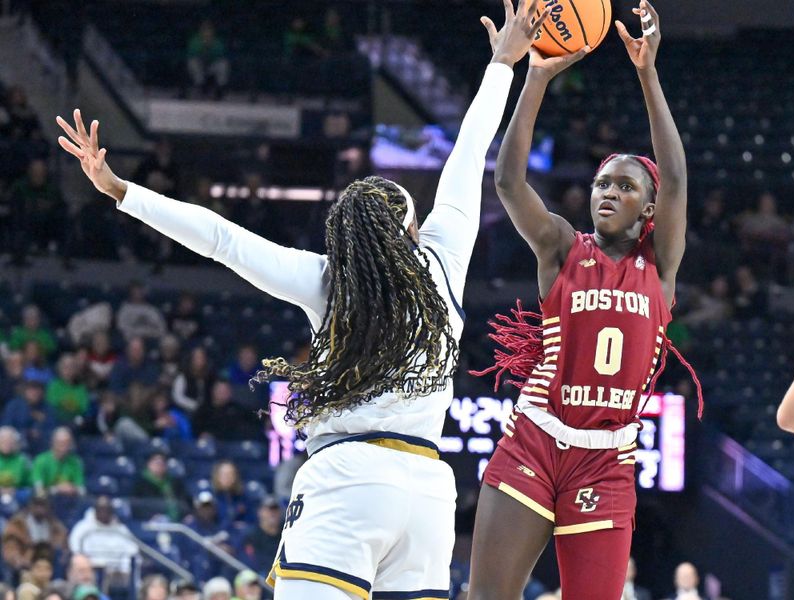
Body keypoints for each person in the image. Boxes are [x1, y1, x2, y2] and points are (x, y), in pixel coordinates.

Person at [57, 2, 543, 596]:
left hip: (347, 478)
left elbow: (222, 239)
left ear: (348, 241)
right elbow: (468, 157)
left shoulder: (327, 279)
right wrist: (501, 65)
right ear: (414, 230)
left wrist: (122, 191)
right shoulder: (443, 263)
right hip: (428, 490)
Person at [467, 4, 701, 600]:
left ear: (649, 209)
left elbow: (675, 178)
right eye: (603, 183)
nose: (609, 193)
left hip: (607, 462)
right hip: (536, 439)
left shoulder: (660, 267)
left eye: (625, 187)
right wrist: (537, 77)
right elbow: (507, 183)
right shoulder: (562, 248)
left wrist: (648, 74)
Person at [68, 496, 139, 581]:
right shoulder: (82, 528)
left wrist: (123, 569)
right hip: (91, 570)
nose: (104, 513)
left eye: (107, 510)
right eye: (101, 510)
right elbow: (76, 551)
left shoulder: (121, 530)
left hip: (117, 573)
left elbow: (132, 550)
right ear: (95, 510)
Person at [131, 450, 188, 520]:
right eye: (156, 463)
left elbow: (184, 501)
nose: (159, 466)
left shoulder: (175, 482)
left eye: (162, 463)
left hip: (176, 520)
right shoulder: (140, 482)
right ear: (149, 464)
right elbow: (137, 505)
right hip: (149, 520)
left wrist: (187, 514)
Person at [31, 428, 84, 496]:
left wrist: (73, 489)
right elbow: (38, 490)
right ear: (53, 442)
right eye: (61, 443)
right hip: (48, 500)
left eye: (67, 443)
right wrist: (57, 489)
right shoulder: (41, 460)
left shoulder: (75, 462)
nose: (64, 447)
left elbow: (82, 490)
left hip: (71, 499)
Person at [186, 20, 230, 99]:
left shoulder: (216, 41)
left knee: (223, 64)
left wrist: (210, 47)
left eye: (209, 29)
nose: (206, 32)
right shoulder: (196, 40)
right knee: (192, 62)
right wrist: (203, 47)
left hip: (211, 65)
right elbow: (192, 52)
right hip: (200, 65)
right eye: (204, 29)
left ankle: (220, 89)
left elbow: (221, 53)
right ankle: (200, 87)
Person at [241, 496, 282, 571]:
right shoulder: (252, 536)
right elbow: (250, 561)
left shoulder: (286, 534)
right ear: (260, 512)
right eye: (268, 510)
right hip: (261, 577)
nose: (272, 513)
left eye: (275, 510)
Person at [45, 354, 89, 423]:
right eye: (65, 367)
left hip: (75, 423)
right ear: (59, 368)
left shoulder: (81, 388)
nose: (68, 370)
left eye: (71, 367)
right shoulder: (53, 386)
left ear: (76, 370)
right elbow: (51, 407)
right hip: (57, 422)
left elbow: (83, 409)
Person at [210, 460, 248, 525]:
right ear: (217, 476)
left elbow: (250, 520)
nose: (228, 477)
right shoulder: (211, 497)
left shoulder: (242, 497)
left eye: (231, 474)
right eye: (224, 474)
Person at [0, 426, 31, 494]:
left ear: (15, 443)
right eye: (3, 441)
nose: (7, 444)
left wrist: (15, 490)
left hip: (16, 494)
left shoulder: (23, 460)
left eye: (10, 441)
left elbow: (30, 483)